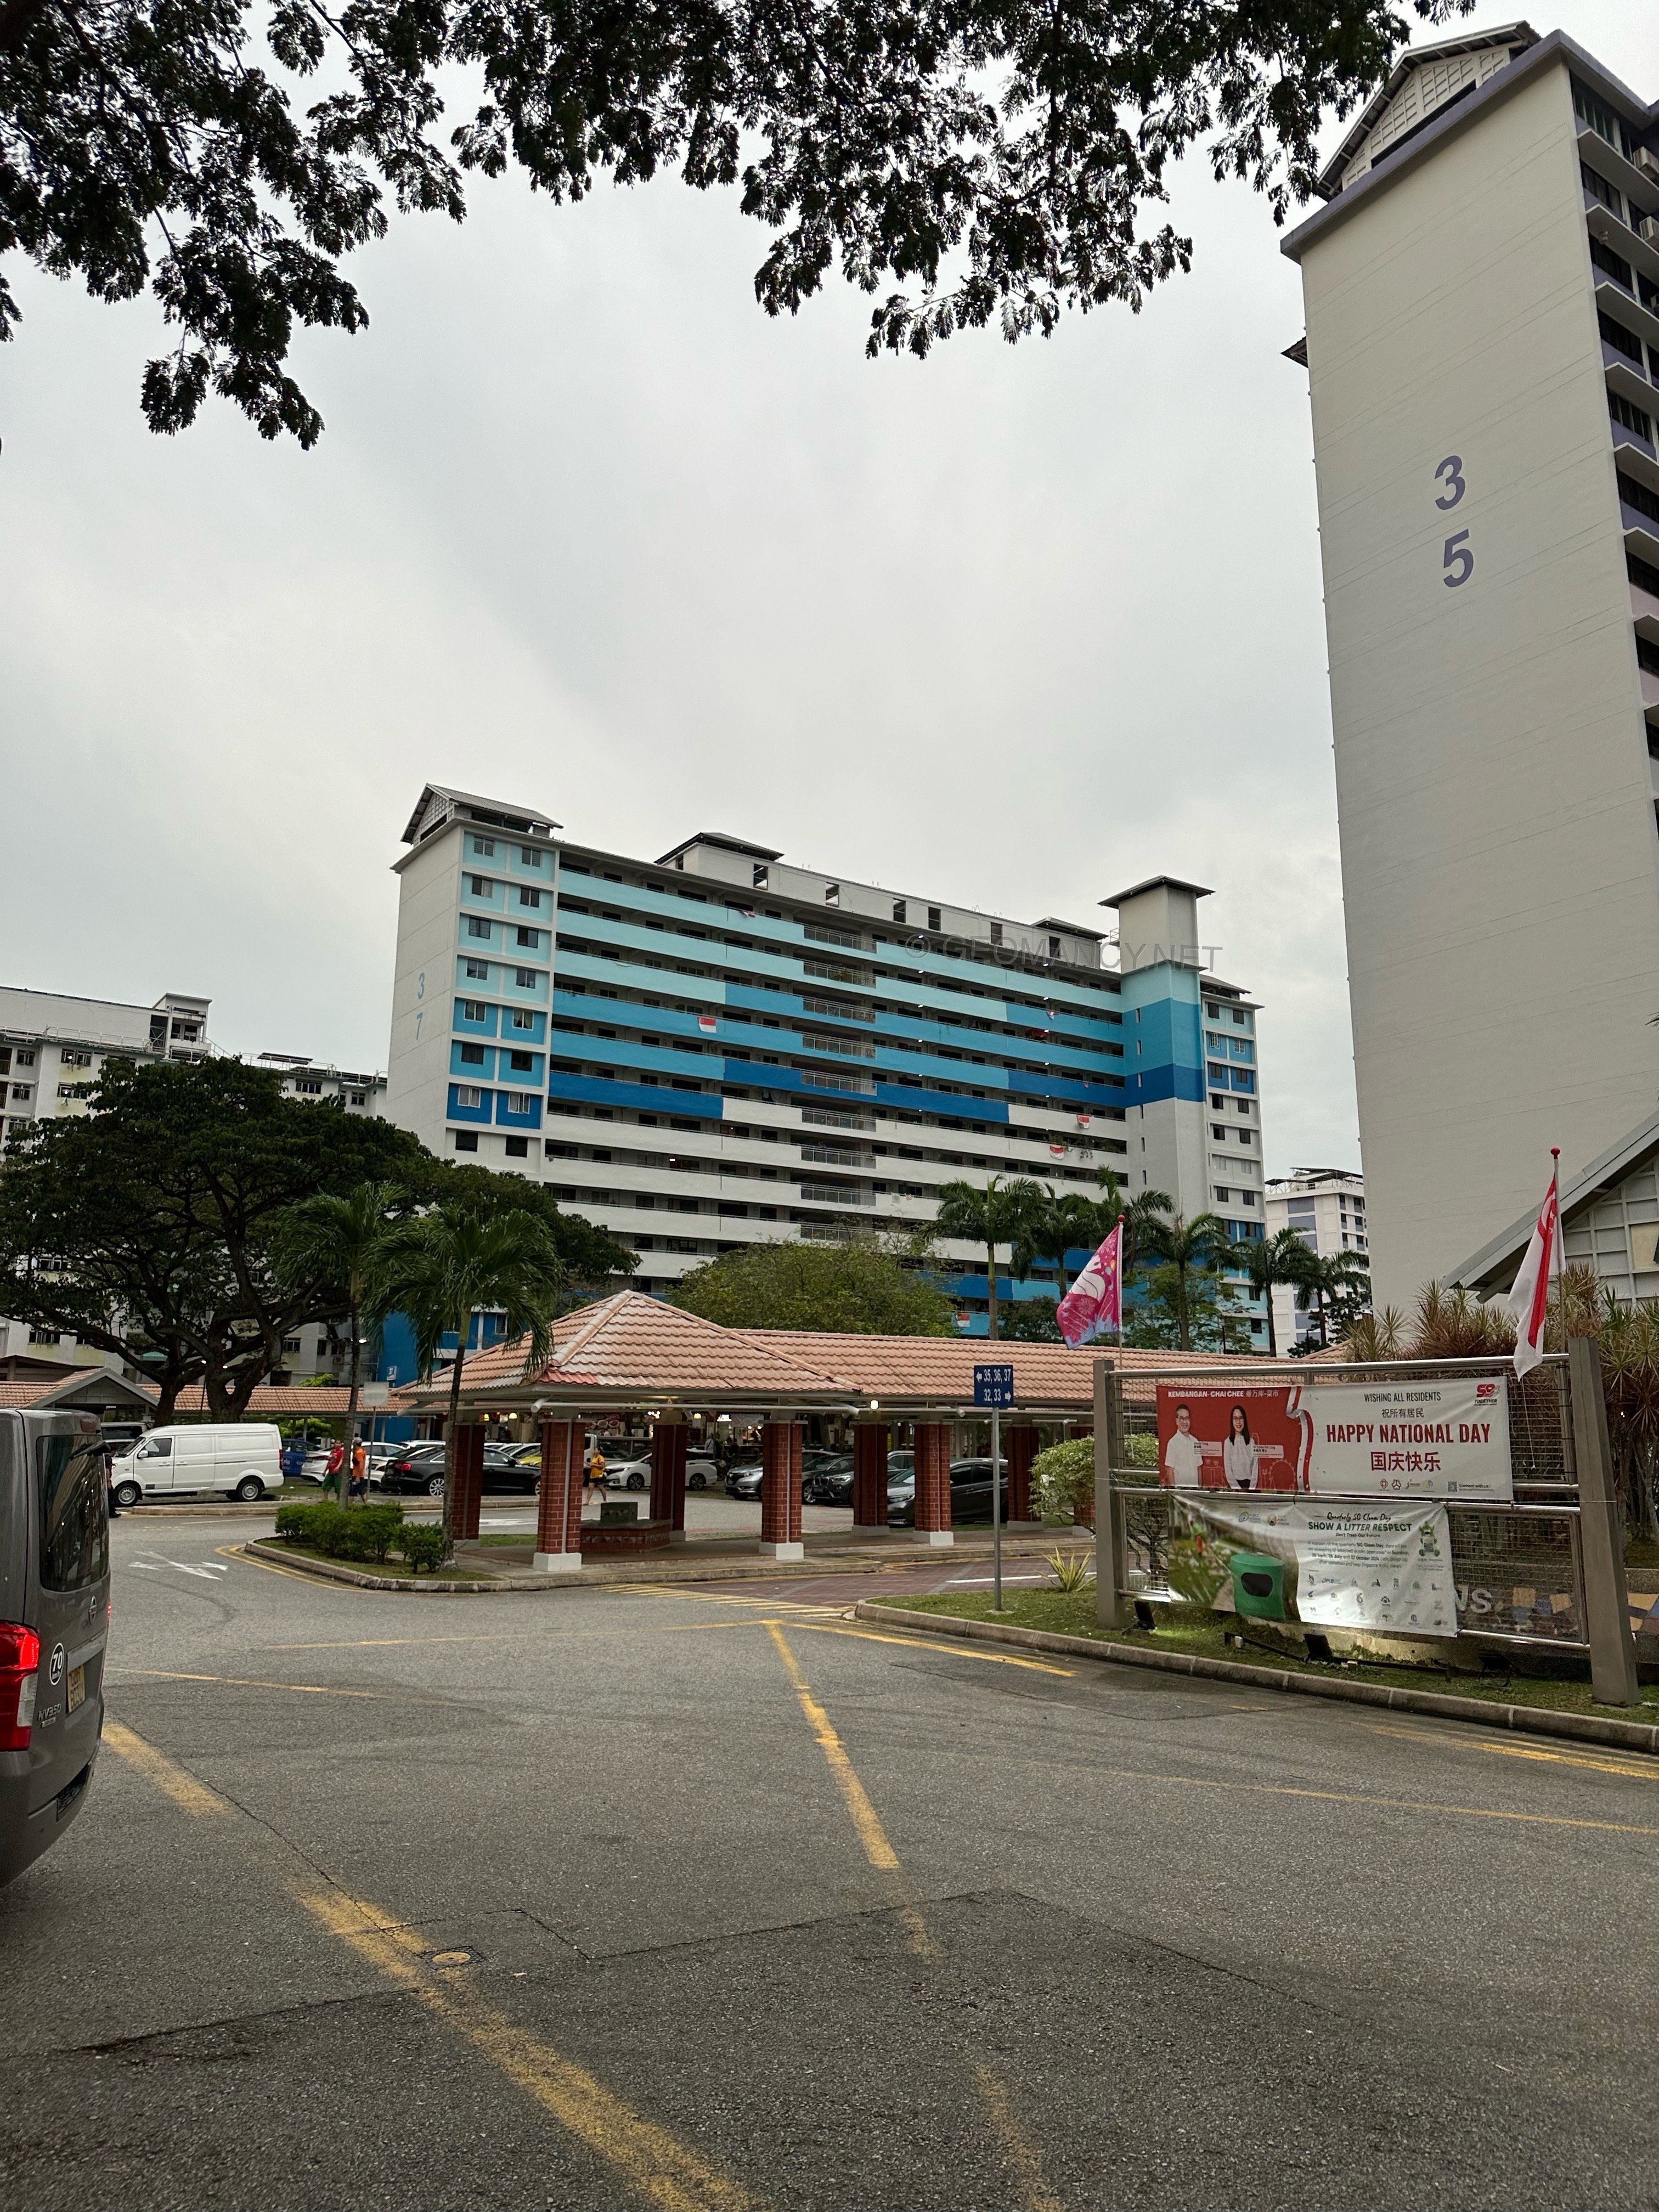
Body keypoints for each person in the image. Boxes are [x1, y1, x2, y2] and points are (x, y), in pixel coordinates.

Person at [1163, 1403, 1205, 1488]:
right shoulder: (1173, 1443)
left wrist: (1200, 1489)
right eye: (1182, 1418)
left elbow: (1199, 1468)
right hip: (1180, 1490)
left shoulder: (1195, 1441)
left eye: (1187, 1419)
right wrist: (1174, 1491)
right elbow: (1170, 1470)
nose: (1185, 1422)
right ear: (1177, 1421)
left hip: (1195, 1490)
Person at [1222, 1404, 1259, 1491]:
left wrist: (1251, 1489)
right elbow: (1228, 1469)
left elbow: (1255, 1467)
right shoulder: (1228, 1442)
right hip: (1235, 1487)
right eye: (1235, 1418)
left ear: (1244, 1420)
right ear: (1232, 1421)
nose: (1238, 1422)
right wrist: (1237, 1489)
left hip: (1250, 1487)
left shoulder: (1251, 1442)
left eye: (1241, 1418)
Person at [584, 1443, 607, 1510]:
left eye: (596, 1450)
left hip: (599, 1475)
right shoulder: (593, 1458)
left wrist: (594, 1465)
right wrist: (587, 1467)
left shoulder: (600, 1458)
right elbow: (591, 1467)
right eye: (594, 1450)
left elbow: (602, 1466)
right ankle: (587, 1501)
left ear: (599, 1451)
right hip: (593, 1475)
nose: (595, 1451)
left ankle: (605, 1500)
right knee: (590, 1488)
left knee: (601, 1488)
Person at [348, 1438, 369, 1502]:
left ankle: (349, 1505)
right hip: (359, 1475)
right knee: (362, 1491)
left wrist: (358, 1477)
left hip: (357, 1475)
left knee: (352, 1492)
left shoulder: (359, 1453)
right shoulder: (361, 1451)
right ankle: (366, 1504)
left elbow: (361, 1465)